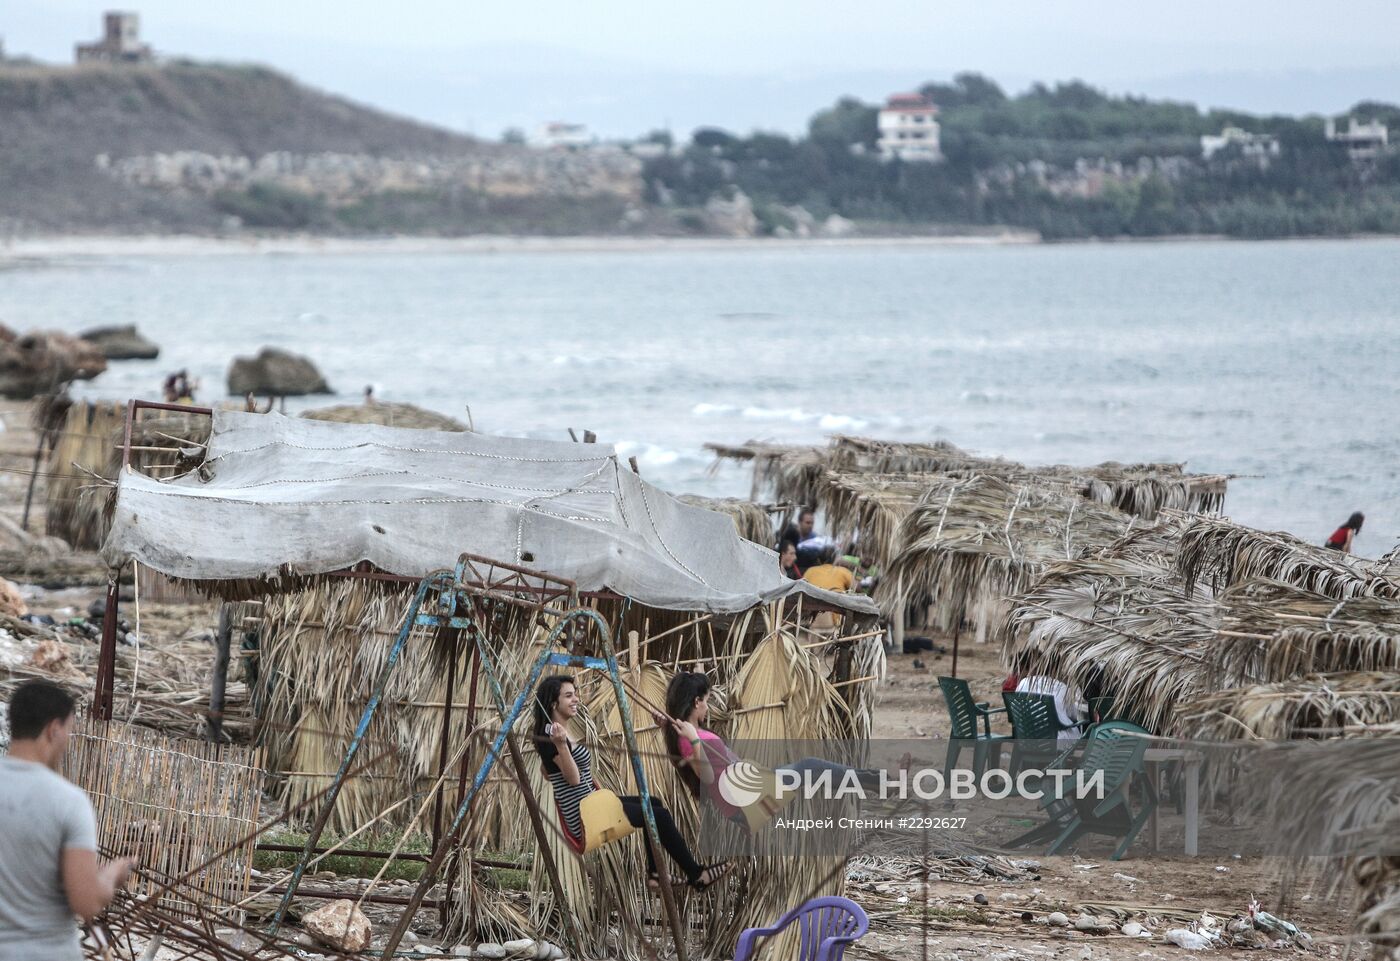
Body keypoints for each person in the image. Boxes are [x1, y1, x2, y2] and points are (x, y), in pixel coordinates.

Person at [533, 675, 731, 891]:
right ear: (554, 703)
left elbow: (549, 772)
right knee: (658, 816)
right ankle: (696, 873)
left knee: (653, 803)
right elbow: (573, 779)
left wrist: (556, 756)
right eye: (568, 696)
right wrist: (560, 746)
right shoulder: (552, 736)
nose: (576, 699)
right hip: (584, 815)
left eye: (575, 694)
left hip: (591, 804)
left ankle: (656, 874)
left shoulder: (557, 733)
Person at [658, 672, 910, 822]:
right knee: (810, 768)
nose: (708, 706)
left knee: (812, 770)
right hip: (747, 805)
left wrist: (669, 726)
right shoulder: (688, 737)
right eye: (707, 701)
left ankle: (883, 784)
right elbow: (707, 777)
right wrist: (692, 739)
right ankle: (886, 784)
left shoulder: (686, 730)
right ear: (696, 701)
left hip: (751, 788)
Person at [1, 681, 134, 960]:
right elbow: (85, 901)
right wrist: (113, 874)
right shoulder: (68, 802)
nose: (68, 741)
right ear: (54, 729)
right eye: (70, 731)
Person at [1014, 672, 1087, 743]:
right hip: (1057, 741)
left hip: (1027, 738)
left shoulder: (1023, 683)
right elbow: (1073, 715)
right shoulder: (1062, 688)